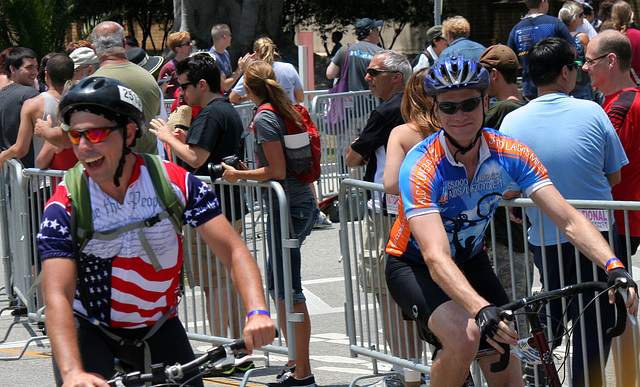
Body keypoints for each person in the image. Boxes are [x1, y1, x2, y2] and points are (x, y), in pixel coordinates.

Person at [384, 55, 638, 387]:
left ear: (485, 102)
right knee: (467, 337)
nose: (460, 115)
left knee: (507, 361)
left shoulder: (510, 153)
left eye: (470, 104)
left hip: (471, 260)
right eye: (449, 107)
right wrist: (479, 308)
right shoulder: (422, 165)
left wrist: (614, 266)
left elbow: (569, 219)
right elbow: (435, 256)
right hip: (413, 264)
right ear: (435, 110)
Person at [37, 77, 276, 387]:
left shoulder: (171, 182)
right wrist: (72, 374)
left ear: (129, 133)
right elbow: (57, 294)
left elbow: (233, 251)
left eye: (95, 134)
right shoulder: (64, 204)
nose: (84, 147)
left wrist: (257, 311)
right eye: (75, 135)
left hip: (157, 326)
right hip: (90, 327)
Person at [500, 37, 628, 387]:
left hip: (545, 236)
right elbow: (614, 174)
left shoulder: (512, 122)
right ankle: (585, 379)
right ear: (566, 72)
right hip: (597, 235)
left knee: (552, 310)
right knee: (596, 319)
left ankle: (539, 367)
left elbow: (509, 188)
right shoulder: (592, 111)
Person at [221, 60, 318, 387]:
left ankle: (302, 371)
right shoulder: (279, 109)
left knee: (289, 290)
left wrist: (239, 175)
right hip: (294, 204)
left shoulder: (265, 116)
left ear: (247, 88)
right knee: (279, 285)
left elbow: (276, 170)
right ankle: (295, 362)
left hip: (291, 207)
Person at [149, 53, 246, 351]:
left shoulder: (209, 114)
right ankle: (241, 348)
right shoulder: (225, 109)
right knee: (227, 279)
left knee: (212, 283)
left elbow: (194, 158)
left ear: (202, 85)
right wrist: (183, 138)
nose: (181, 93)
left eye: (185, 86)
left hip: (210, 211)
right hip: (229, 207)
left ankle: (220, 349)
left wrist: (168, 137)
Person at [583, 29, 640, 385]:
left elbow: (602, 165)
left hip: (623, 218)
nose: (584, 68)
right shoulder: (623, 100)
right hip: (625, 215)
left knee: (620, 306)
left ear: (611, 61)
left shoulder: (619, 105)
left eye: (589, 60)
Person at [35, 21, 162, 156]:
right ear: (124, 44)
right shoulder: (148, 78)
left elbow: (66, 138)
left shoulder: (88, 87)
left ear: (94, 49)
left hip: (107, 169)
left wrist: (44, 130)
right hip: (147, 166)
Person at [0, 53, 75, 170]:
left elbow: (20, 149)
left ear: (47, 75)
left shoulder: (32, 104)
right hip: (79, 176)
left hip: (44, 180)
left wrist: (3, 156)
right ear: (73, 76)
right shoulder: (81, 102)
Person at [507, 0, 575, 99]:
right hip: (557, 85)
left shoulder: (517, 29)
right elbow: (572, 51)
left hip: (529, 88)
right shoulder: (556, 24)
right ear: (543, 2)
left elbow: (511, 60)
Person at [229, 37, 303, 105]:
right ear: (273, 51)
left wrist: (252, 96)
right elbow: (300, 98)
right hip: (289, 116)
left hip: (267, 116)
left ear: (256, 53)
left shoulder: (253, 71)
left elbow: (233, 98)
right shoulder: (289, 68)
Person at [0, 47, 39, 168]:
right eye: (29, 68)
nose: (35, 72)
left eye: (36, 67)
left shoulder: (2, 95)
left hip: (8, 175)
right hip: (29, 173)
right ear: (13, 69)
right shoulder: (30, 95)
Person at [326, 18, 384, 91]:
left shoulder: (345, 49)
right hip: (372, 100)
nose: (378, 33)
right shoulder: (381, 54)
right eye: (377, 30)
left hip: (348, 100)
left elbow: (330, 74)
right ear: (371, 32)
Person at [559, 1, 595, 100]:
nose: (584, 16)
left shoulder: (556, 38)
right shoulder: (582, 38)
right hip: (582, 86)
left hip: (563, 87)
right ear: (574, 19)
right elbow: (591, 62)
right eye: (580, 15)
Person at [209, 24, 251, 95]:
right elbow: (225, 86)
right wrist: (239, 69)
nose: (231, 38)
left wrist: (244, 66)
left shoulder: (225, 53)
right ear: (224, 37)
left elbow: (230, 76)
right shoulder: (213, 59)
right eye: (230, 35)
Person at [605, 0, 640, 84]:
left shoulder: (609, 37)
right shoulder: (637, 35)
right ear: (630, 15)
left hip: (617, 83)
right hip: (635, 82)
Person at [157, 31, 192, 98]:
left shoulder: (194, 64)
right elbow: (159, 92)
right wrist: (164, 86)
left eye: (190, 42)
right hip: (176, 105)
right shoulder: (168, 67)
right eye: (187, 43)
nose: (191, 45)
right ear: (178, 49)